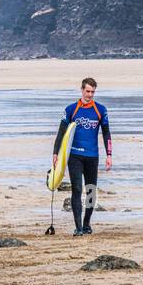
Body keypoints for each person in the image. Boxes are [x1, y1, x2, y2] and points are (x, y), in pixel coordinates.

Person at [51, 77, 111, 236]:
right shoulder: (71, 109)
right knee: (77, 189)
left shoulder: (101, 110)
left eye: (92, 92)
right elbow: (61, 133)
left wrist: (109, 154)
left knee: (91, 190)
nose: (90, 95)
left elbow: (106, 134)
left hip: (92, 156)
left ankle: (87, 224)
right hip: (75, 156)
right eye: (87, 91)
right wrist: (56, 153)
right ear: (82, 90)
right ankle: (78, 227)